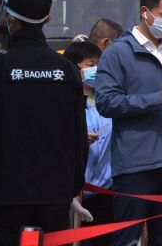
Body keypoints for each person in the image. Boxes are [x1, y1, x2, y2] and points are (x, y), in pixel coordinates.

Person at [95, 0, 162, 246]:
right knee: (128, 239)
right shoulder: (118, 52)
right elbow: (106, 103)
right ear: (145, 12)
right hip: (135, 165)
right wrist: (158, 99)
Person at [0, 0, 88, 245]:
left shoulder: (0, 70)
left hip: (5, 196)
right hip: (55, 195)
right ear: (47, 19)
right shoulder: (67, 71)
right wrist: (71, 186)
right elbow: (79, 136)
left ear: (11, 19)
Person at [64, 41, 114, 246]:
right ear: (75, 68)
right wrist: (76, 137)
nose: (97, 70)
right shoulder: (64, 102)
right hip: (74, 194)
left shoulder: (107, 101)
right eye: (91, 64)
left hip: (107, 191)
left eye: (99, 64)